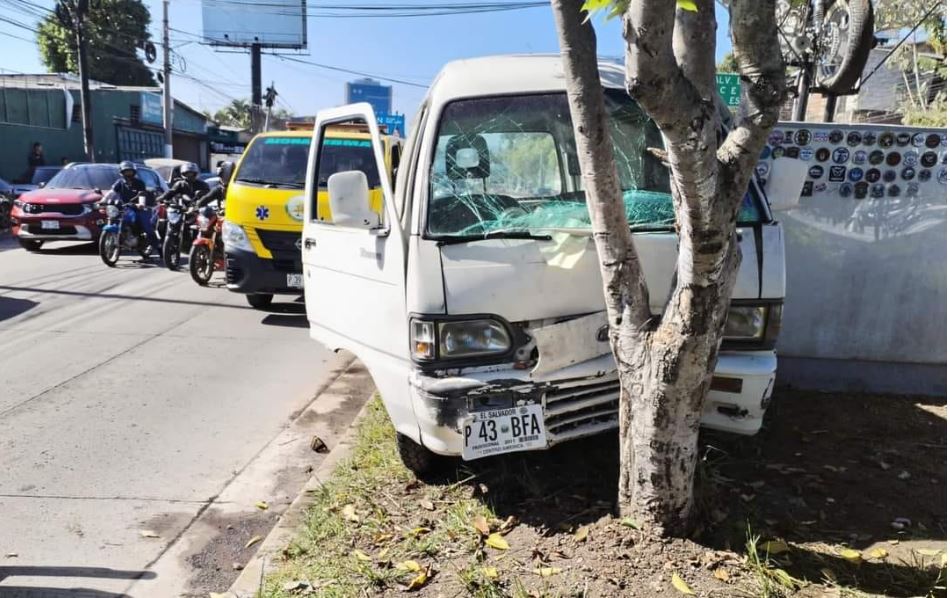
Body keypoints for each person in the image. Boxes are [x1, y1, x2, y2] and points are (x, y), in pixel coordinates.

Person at [111, 161, 158, 254]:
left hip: (138, 208)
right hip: (124, 207)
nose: (128, 174)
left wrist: (141, 204)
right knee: (115, 217)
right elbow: (112, 192)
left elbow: (142, 195)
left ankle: (154, 244)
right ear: (122, 173)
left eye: (130, 171)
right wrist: (102, 200)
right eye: (126, 172)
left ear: (134, 172)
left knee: (146, 225)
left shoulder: (139, 183)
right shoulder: (120, 182)